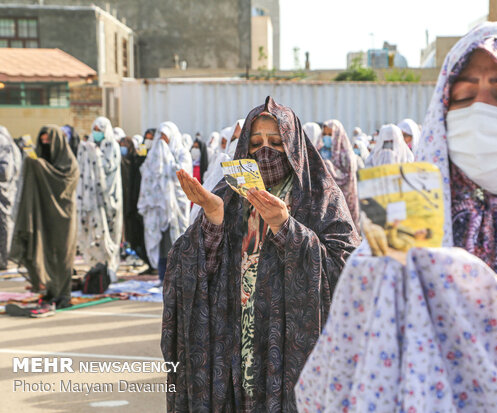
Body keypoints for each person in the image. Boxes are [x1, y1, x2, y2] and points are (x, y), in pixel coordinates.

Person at [295, 21, 497, 411]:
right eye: (461, 97)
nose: (480, 112)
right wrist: (368, 294)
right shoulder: (404, 227)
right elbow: (323, 388)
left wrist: (496, 315)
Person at [162, 97, 360, 411]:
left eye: (276, 142)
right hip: (233, 345)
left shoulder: (320, 197)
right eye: (256, 142)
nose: (265, 150)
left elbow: (347, 270)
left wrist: (286, 227)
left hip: (289, 346)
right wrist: (214, 217)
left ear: (293, 145)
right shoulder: (229, 193)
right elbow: (186, 268)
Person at [10, 125, 79, 308]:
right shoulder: (40, 160)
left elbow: (63, 182)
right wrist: (36, 164)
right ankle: (50, 290)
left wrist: (40, 167)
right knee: (44, 252)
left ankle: (63, 294)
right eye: (43, 141)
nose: (46, 143)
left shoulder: (69, 162)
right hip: (43, 215)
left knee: (62, 256)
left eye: (49, 140)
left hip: (64, 218)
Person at [137, 121, 191, 284]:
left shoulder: (182, 154)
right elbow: (146, 174)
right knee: (161, 246)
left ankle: (175, 278)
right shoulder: (153, 155)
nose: (162, 141)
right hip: (157, 208)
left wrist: (167, 163)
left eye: (165, 138)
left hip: (175, 209)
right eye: (159, 137)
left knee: (174, 242)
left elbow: (184, 175)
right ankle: (162, 277)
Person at [76, 117, 123, 282]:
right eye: (94, 128)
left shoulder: (112, 146)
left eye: (99, 129)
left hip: (109, 197)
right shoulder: (88, 146)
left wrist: (96, 155)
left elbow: (109, 167)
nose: (96, 132)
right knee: (94, 235)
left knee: (110, 233)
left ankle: (110, 269)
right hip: (92, 199)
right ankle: (96, 269)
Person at [318, 119, 360, 231]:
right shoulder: (321, 150)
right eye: (325, 134)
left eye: (330, 134)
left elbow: (347, 177)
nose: (326, 137)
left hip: (344, 199)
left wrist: (329, 168)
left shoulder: (347, 155)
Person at [0, 126, 22, 270]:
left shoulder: (8, 151)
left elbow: (4, 173)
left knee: (4, 229)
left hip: (5, 197)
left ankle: (2, 260)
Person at [119, 136, 149, 267]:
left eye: (126, 144)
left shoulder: (137, 160)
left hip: (137, 200)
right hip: (127, 201)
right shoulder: (122, 160)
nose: (123, 147)